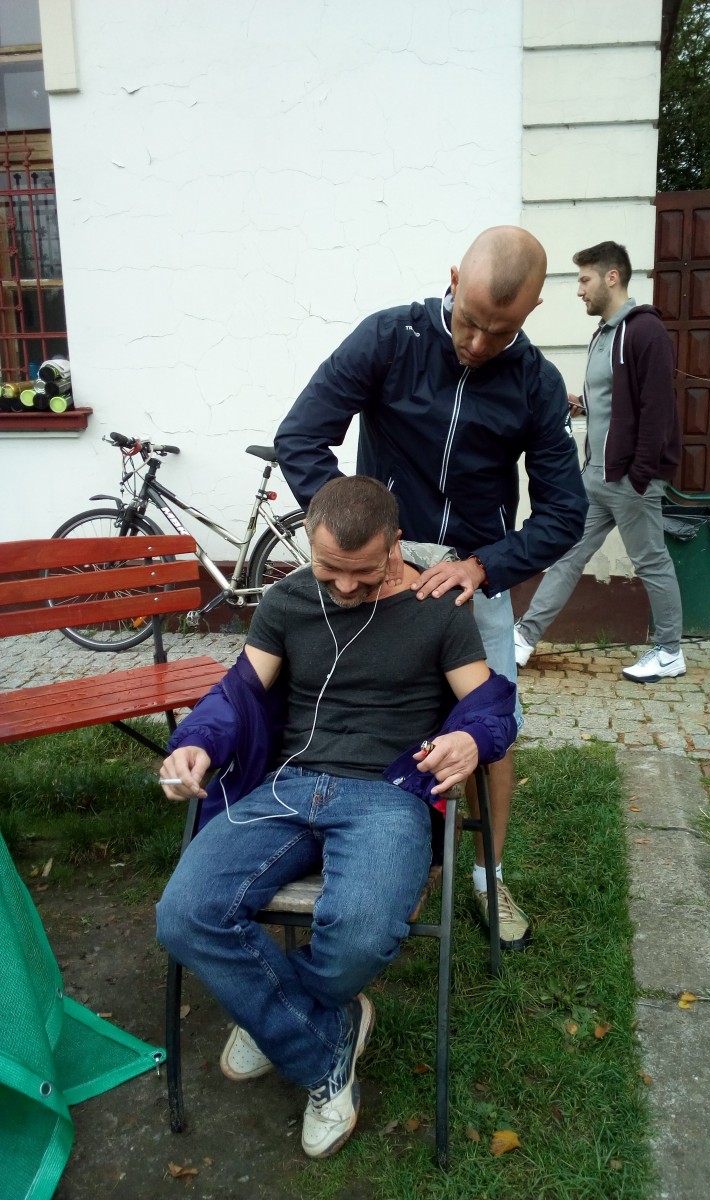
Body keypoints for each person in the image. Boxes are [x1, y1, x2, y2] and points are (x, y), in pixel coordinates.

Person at [156, 475, 517, 1161]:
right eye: (330, 571)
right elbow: (236, 693)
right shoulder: (287, 602)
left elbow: (489, 704)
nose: (345, 587)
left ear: (395, 545)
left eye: (363, 571)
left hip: (388, 794)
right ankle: (323, 1044)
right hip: (288, 786)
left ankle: (273, 1016)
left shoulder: (437, 609)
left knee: (359, 934)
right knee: (184, 914)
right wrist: (196, 742)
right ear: (306, 543)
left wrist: (472, 738)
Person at [274, 225, 587, 950]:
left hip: (472, 572)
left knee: (492, 726)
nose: (476, 343)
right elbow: (301, 437)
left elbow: (564, 511)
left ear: (533, 311)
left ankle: (486, 876)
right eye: (469, 321)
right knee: (352, 713)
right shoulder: (390, 339)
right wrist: (367, 547)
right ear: (452, 279)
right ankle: (368, 856)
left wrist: (484, 567)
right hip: (382, 566)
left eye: (499, 331)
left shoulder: (536, 383)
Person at [512, 241, 685, 683]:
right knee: (568, 555)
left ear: (612, 277)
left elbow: (657, 409)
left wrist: (640, 476)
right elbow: (614, 399)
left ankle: (670, 652)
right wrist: (581, 404)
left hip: (629, 480)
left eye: (585, 279)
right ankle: (523, 638)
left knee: (651, 562)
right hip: (596, 477)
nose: (579, 290)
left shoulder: (645, 331)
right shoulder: (604, 334)